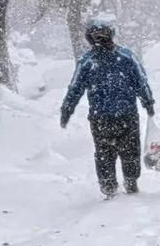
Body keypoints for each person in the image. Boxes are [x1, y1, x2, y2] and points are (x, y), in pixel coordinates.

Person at [61, 15, 155, 197]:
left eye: (102, 35)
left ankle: (118, 183)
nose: (100, 40)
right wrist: (147, 101)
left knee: (109, 153)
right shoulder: (122, 57)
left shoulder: (91, 61)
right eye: (97, 36)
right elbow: (141, 83)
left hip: (107, 116)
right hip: (114, 115)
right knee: (121, 151)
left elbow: (75, 88)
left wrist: (67, 109)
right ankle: (119, 183)